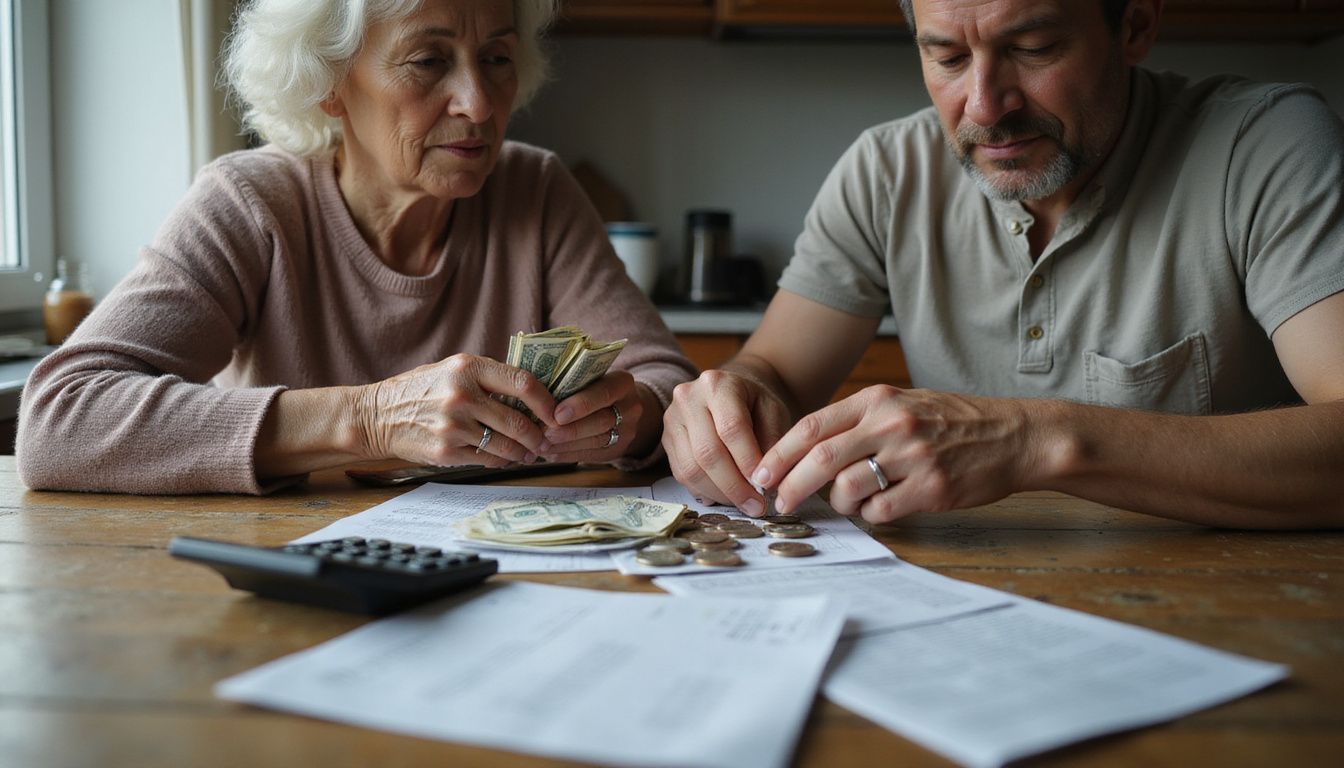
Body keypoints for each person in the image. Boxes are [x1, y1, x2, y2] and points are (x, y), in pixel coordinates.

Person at [663, 0, 1344, 529]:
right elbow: (774, 371)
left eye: (1034, 48)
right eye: (948, 58)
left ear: (1134, 26)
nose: (987, 107)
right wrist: (731, 402)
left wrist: (1034, 440)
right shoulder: (885, 171)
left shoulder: (1266, 147)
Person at [18, 0, 696, 494]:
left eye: (496, 59)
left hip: (501, 577)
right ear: (330, 84)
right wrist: (369, 419)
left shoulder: (535, 189)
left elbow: (666, 385)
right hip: (296, 578)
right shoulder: (251, 204)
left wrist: (626, 421)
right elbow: (60, 419)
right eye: (429, 61)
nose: (481, 104)